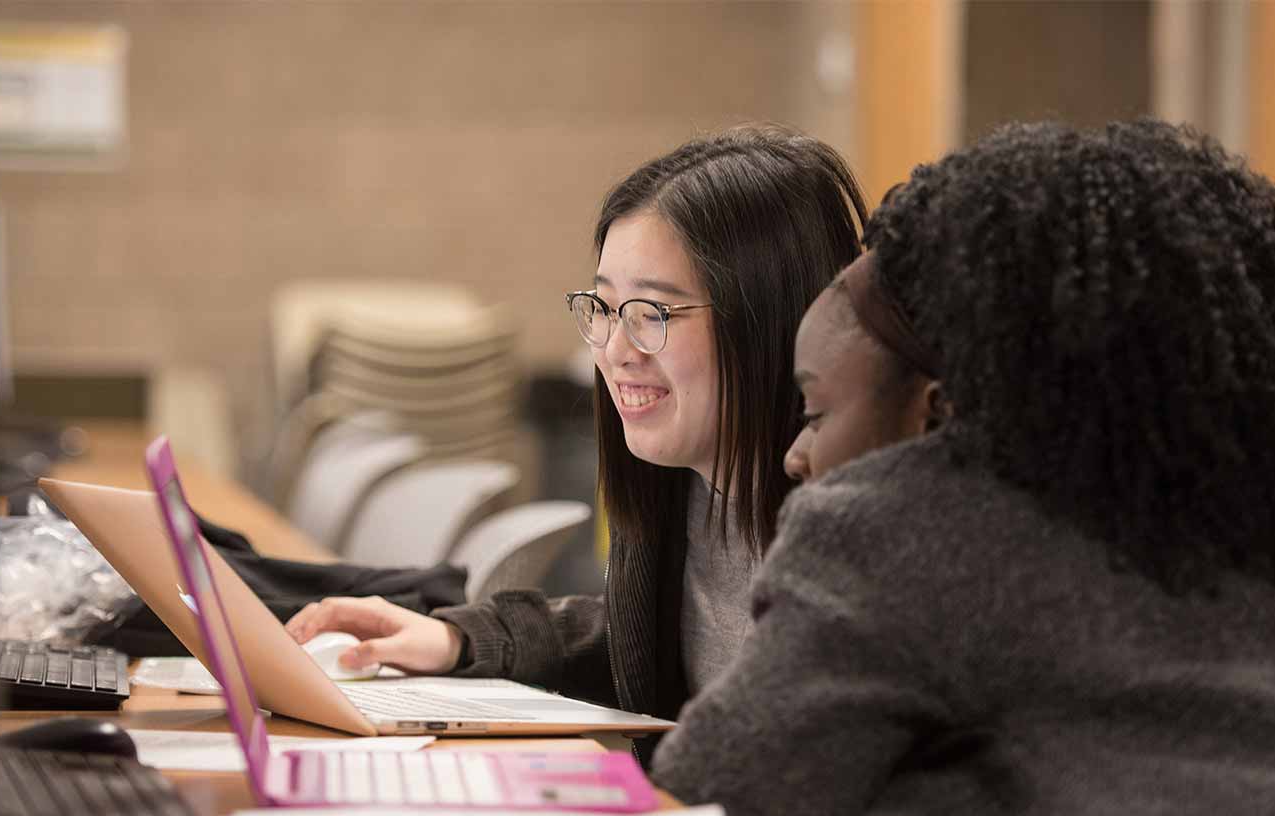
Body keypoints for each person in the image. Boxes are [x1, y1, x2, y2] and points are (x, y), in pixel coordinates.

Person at [652, 119, 1275, 816]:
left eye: (816, 413)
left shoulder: (909, 519)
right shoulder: (1243, 518)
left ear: (939, 417)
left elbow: (718, 793)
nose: (796, 454)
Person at [284, 125, 868, 737]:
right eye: (604, 308)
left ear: (768, 320)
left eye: (652, 313)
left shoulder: (859, 553)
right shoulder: (682, 487)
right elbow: (637, 640)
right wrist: (458, 639)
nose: (615, 350)